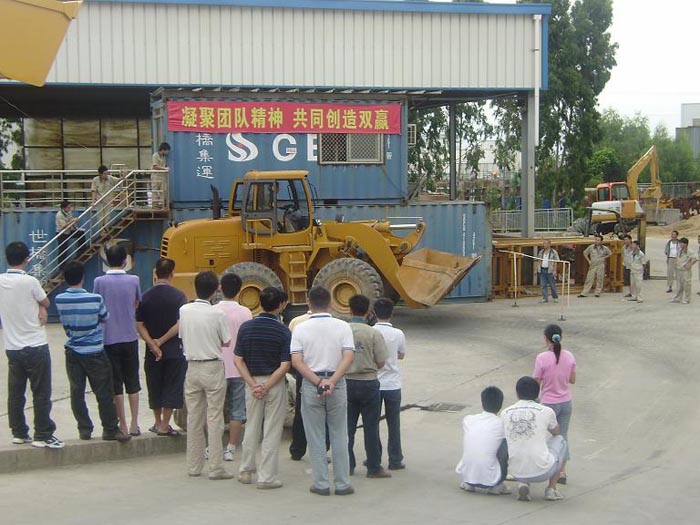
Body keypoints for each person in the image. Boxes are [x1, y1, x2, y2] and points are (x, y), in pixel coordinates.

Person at [290, 286, 355, 496]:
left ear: (309, 304)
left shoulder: (300, 328)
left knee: (315, 436)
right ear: (331, 303)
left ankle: (321, 483)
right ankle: (342, 483)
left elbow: (297, 361)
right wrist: (332, 381)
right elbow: (348, 357)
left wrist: (318, 382)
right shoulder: (343, 327)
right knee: (339, 434)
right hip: (337, 383)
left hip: (312, 385)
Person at [55, 261, 130, 443]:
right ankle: (110, 429)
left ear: (65, 278)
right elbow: (105, 317)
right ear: (83, 277)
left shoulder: (60, 300)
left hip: (73, 350)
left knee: (77, 392)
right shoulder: (95, 299)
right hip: (95, 350)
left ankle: (84, 429)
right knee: (104, 392)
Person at [0, 242, 63, 449]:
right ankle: (43, 434)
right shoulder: (30, 281)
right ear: (27, 259)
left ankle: (19, 432)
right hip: (36, 345)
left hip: (12, 347)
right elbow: (46, 302)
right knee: (41, 392)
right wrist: (40, 307)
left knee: (16, 393)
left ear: (7, 258)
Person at [234, 287, 291, 489]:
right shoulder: (283, 331)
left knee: (251, 426)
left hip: (252, 383)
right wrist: (266, 386)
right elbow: (285, 365)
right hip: (274, 384)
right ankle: (266, 477)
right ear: (280, 305)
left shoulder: (246, 328)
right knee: (271, 430)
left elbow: (238, 360)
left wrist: (253, 384)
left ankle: (245, 470)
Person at [179, 271, 232, 480]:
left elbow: (182, 335)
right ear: (215, 290)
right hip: (212, 366)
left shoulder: (184, 310)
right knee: (215, 417)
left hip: (192, 366)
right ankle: (216, 466)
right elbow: (226, 341)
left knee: (194, 417)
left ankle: (194, 465)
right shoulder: (217, 313)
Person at [93, 244, 142, 436]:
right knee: (133, 381)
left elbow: (97, 306)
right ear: (125, 261)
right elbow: (136, 303)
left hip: (108, 338)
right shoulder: (134, 280)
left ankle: (122, 424)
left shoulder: (99, 281)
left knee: (116, 384)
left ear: (107, 260)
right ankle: (135, 423)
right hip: (129, 336)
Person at [136, 258, 187, 436]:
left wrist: (152, 343)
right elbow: (180, 324)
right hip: (174, 350)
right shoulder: (179, 296)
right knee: (172, 386)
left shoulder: (145, 296)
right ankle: (165, 424)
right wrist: (162, 340)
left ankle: (157, 422)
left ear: (155, 273)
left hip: (152, 352)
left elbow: (139, 324)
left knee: (154, 386)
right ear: (172, 274)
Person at [501, 377, 567, 502]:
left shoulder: (505, 412)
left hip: (515, 472)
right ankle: (551, 489)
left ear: (517, 393)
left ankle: (523, 483)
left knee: (513, 442)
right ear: (538, 394)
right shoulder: (547, 411)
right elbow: (556, 432)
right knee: (561, 440)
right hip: (543, 472)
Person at [346, 294, 391, 478]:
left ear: (350, 310)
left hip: (346, 383)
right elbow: (381, 361)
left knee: (346, 428)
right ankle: (373, 467)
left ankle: (347, 466)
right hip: (368, 383)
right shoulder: (373, 333)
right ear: (367, 312)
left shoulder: (342, 330)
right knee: (371, 428)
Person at [214, 272, 252, 462]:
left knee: (215, 410)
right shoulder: (246, 312)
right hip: (239, 367)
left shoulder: (214, 311)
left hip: (218, 366)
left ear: (221, 288)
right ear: (239, 290)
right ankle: (230, 448)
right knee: (237, 410)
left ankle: (212, 447)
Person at [532, 325, 576, 485]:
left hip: (548, 404)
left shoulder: (542, 358)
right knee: (562, 437)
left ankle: (539, 466)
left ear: (546, 338)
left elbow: (536, 382)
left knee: (540, 435)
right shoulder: (569, 356)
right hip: (566, 402)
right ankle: (562, 471)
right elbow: (572, 380)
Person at [455, 386, 511, 495]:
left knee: (475, 441)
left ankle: (470, 483)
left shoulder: (468, 419)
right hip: (491, 479)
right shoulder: (501, 423)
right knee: (506, 443)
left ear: (482, 402)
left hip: (467, 476)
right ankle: (498, 485)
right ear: (500, 405)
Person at [373, 297, 407, 471]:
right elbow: (401, 355)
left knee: (373, 423)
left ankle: (374, 457)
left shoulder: (371, 332)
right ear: (391, 313)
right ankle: (395, 459)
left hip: (374, 383)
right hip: (393, 384)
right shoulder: (398, 333)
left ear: (374, 313)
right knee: (394, 424)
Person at [288, 309, 314, 461]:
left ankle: (297, 449)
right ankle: (322, 449)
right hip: (325, 372)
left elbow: (291, 349)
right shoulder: (337, 324)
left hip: (302, 370)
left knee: (301, 409)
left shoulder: (297, 322)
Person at [55, 199, 87, 268]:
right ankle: (61, 266)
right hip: (62, 233)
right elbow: (63, 226)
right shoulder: (59, 215)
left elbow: (72, 221)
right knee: (63, 250)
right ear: (63, 208)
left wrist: (77, 228)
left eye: (70, 207)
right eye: (68, 207)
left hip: (69, 231)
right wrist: (72, 221)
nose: (70, 209)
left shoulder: (69, 212)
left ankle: (81, 250)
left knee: (80, 233)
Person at [91, 165, 120, 229]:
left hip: (108, 200)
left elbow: (118, 180)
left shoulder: (110, 178)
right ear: (100, 174)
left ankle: (106, 229)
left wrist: (123, 176)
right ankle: (101, 230)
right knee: (100, 216)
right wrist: (93, 202)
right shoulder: (95, 180)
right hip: (99, 200)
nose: (106, 175)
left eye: (107, 173)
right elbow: (94, 190)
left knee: (107, 216)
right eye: (104, 174)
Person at [670, 237, 697, 304]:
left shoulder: (690, 251)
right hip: (679, 270)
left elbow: (695, 258)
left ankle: (687, 299)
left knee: (686, 285)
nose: (680, 244)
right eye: (680, 243)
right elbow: (677, 258)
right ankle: (677, 298)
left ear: (686, 244)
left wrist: (690, 264)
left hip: (685, 271)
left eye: (682, 243)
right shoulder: (679, 250)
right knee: (679, 285)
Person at [150, 142, 171, 207]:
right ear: (163, 149)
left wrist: (165, 168)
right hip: (156, 176)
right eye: (167, 151)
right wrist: (165, 168)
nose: (167, 152)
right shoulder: (155, 155)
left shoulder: (163, 157)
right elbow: (155, 166)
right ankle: (155, 204)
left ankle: (161, 203)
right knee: (155, 190)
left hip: (162, 175)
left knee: (163, 190)